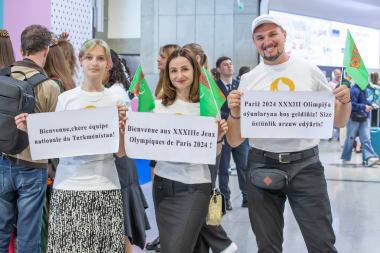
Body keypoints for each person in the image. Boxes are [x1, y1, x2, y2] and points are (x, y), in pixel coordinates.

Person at [226, 14, 352, 252]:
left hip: (306, 166)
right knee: (268, 246)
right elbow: (234, 139)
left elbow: (338, 121)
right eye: (260, 37)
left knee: (322, 244)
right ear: (254, 42)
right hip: (261, 166)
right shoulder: (249, 80)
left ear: (285, 35)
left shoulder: (309, 70)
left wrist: (345, 102)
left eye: (273, 34)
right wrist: (234, 112)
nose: (267, 41)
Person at [13, 39, 128, 252]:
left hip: (105, 186)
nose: (95, 63)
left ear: (108, 64)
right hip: (69, 186)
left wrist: (122, 129)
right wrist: (33, 130)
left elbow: (120, 152)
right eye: (90, 58)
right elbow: (54, 144)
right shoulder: (66, 99)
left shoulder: (115, 101)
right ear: (81, 61)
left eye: (101, 58)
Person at [151, 48, 228, 253]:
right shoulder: (158, 107)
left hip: (194, 186)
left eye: (185, 69)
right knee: (171, 247)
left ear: (195, 71)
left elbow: (215, 154)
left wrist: (218, 138)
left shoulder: (208, 107)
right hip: (162, 186)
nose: (179, 75)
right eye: (173, 71)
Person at [0, 25, 61, 253]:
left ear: (20, 47)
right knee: (28, 237)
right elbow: (55, 136)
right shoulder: (49, 86)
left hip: (3, 163)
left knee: (1, 232)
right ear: (46, 50)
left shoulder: (4, 76)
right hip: (34, 168)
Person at [182, 44, 238, 253]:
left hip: (208, 145)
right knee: (202, 196)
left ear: (196, 59)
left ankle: (219, 239)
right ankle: (210, 243)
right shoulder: (188, 84)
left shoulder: (205, 85)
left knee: (206, 193)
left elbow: (213, 114)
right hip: (191, 149)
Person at [103, 49, 151, 252]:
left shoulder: (111, 94)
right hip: (124, 163)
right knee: (124, 226)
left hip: (118, 163)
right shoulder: (119, 89)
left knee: (122, 227)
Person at [215, 56, 247, 210]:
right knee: (223, 168)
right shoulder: (214, 88)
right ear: (219, 69)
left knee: (243, 165)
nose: (229, 66)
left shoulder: (239, 85)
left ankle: (246, 196)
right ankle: (225, 198)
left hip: (239, 132)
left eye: (231, 64)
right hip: (223, 131)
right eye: (225, 65)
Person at [341, 83, 379, 166]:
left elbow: (364, 100)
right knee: (350, 137)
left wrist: (370, 104)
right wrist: (363, 107)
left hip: (364, 117)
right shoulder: (354, 90)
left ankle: (370, 157)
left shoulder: (363, 89)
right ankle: (345, 157)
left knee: (366, 137)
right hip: (354, 117)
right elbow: (352, 104)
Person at [328, 69, 343, 142]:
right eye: (337, 74)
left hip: (340, 105)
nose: (339, 75)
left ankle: (339, 136)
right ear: (334, 74)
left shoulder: (342, 83)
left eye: (340, 74)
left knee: (340, 121)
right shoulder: (330, 84)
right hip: (333, 105)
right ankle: (330, 136)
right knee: (331, 121)